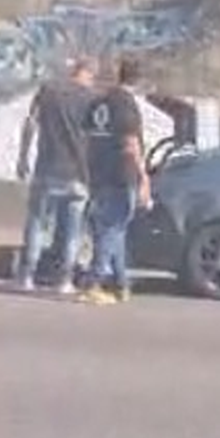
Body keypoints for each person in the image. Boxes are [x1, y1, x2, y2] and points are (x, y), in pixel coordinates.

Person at [14, 57, 95, 294]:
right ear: (87, 73)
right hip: (79, 174)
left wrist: (22, 157)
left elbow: (31, 124)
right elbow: (95, 138)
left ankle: (26, 276)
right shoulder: (92, 100)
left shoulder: (48, 91)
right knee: (73, 231)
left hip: (47, 169)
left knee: (37, 224)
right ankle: (64, 280)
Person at [80, 53, 148, 305]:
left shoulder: (100, 102)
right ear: (138, 80)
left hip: (99, 172)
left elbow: (87, 136)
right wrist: (144, 178)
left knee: (115, 228)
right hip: (121, 174)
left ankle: (121, 283)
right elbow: (130, 143)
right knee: (112, 228)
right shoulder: (126, 104)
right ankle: (93, 281)